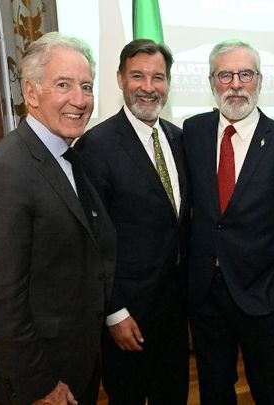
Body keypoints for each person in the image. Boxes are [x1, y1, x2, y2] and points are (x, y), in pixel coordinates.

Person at [0, 32, 116, 405]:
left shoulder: (69, 156)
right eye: (64, 85)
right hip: (38, 377)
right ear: (31, 94)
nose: (80, 100)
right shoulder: (4, 173)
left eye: (87, 87)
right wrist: (38, 385)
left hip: (74, 359)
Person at [183, 39, 274, 405]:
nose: (236, 84)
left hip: (262, 294)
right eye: (225, 74)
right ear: (211, 82)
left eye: (245, 74)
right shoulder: (193, 132)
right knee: (214, 387)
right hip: (206, 293)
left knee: (268, 387)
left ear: (260, 80)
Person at [75, 38, 189, 404]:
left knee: (172, 394)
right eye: (137, 75)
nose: (148, 86)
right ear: (120, 78)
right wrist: (114, 312)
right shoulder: (96, 146)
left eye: (158, 77)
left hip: (175, 310)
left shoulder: (178, 139)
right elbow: (93, 241)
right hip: (129, 315)